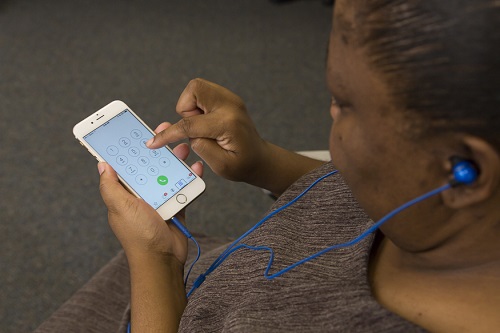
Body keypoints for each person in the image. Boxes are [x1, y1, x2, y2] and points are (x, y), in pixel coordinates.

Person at [36, 0, 500, 332]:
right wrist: (262, 161)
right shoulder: (422, 201)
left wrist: (155, 261)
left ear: (465, 170)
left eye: (344, 103)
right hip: (215, 266)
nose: (331, 114)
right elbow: (342, 197)